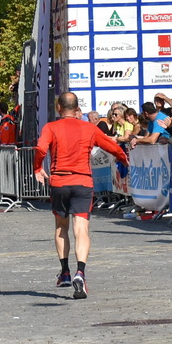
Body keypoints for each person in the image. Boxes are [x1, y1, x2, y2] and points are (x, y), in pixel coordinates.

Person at [33, 92, 125, 299]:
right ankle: (80, 272)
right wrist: (124, 159)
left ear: (58, 108)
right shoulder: (89, 128)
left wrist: (37, 167)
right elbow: (112, 146)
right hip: (83, 182)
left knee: (61, 226)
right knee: (81, 228)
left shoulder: (51, 127)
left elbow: (40, 148)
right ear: (77, 110)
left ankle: (64, 272)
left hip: (59, 182)